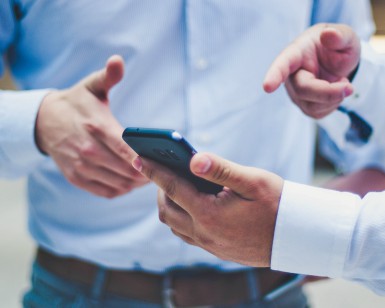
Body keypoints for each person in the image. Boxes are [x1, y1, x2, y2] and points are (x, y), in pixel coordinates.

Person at [0, 1, 377, 307]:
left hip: (271, 292)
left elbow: (363, 107)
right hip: (79, 291)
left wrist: (318, 233)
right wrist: (35, 121)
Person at [130, 23, 385, 296]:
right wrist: (357, 76)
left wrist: (293, 227)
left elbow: (368, 161)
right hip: (96, 284)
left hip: (272, 287)